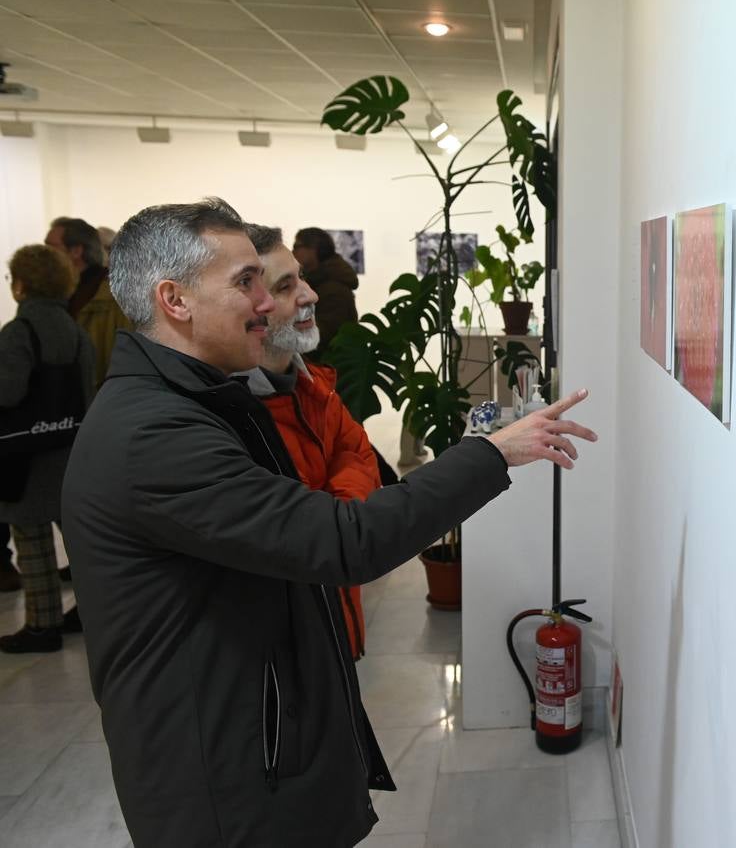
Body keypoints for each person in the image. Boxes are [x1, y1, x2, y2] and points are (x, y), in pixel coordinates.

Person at [62, 198, 596, 847]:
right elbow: (345, 539)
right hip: (224, 787)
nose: (268, 304)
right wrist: (491, 452)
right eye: (245, 283)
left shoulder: (208, 401)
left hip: (258, 752)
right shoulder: (153, 435)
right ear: (174, 299)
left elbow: (345, 485)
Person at [242, 222, 370, 659]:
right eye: (285, 285)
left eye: (302, 277)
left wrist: (337, 519)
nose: (308, 295)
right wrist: (338, 525)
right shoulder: (225, 412)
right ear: (248, 304)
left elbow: (357, 456)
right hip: (283, 651)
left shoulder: (317, 388)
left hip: (336, 617)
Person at [0, 245, 94, 653]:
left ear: (22, 285)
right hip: (69, 449)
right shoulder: (75, 330)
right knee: (79, 540)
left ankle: (42, 624)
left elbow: (8, 392)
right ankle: (89, 612)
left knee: (32, 542)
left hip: (26, 454)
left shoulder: (19, 333)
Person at [46, 216, 131, 386]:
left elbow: (127, 359)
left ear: (76, 251)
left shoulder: (116, 295)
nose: (44, 254)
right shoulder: (54, 294)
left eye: (50, 247)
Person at [292, 226, 358, 356]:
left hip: (328, 370)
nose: (292, 252)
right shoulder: (320, 282)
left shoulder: (334, 289)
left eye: (297, 246)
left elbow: (322, 336)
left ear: (313, 249)